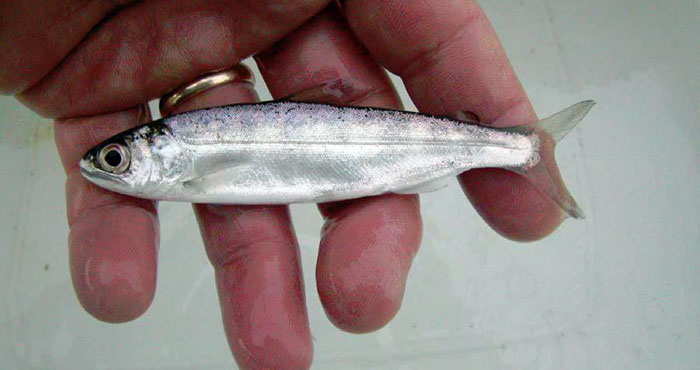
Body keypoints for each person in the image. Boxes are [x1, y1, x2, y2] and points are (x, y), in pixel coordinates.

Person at [0, 1, 567, 368]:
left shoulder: (185, 160)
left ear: (163, 154)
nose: (106, 167)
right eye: (116, 159)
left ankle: (519, 148)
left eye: (118, 158)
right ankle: (520, 148)